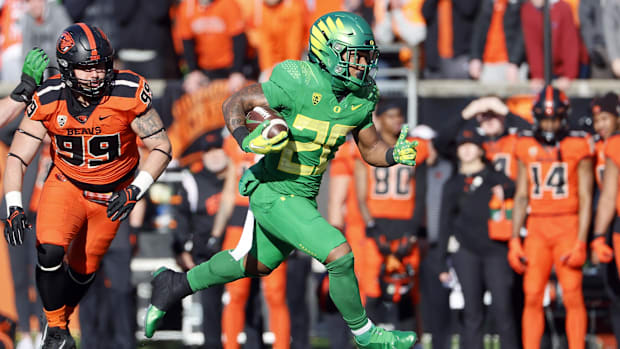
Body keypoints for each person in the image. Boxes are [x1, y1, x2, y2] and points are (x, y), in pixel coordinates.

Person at [145, 11, 418, 349]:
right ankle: (365, 333)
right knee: (339, 254)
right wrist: (247, 139)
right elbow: (237, 101)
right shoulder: (297, 79)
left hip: (303, 195)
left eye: (365, 58)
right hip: (273, 191)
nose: (362, 66)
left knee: (252, 263)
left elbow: (371, 148)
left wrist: (393, 155)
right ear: (327, 53)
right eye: (354, 57)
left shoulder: (361, 99)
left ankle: (174, 285)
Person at [2, 23, 172, 348]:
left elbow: (162, 147)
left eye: (99, 66)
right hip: (65, 185)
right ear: (67, 68)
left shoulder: (127, 92)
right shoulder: (49, 97)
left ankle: (60, 323)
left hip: (112, 195)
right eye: (86, 67)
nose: (95, 75)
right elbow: (18, 157)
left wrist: (136, 189)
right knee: (49, 251)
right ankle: (54, 329)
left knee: (83, 271)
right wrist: (13, 203)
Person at [508, 85, 593, 349]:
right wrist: (514, 238)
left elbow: (587, 197)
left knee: (572, 294)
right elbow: (521, 195)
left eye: (554, 117)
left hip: (567, 223)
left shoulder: (578, 144)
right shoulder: (524, 144)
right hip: (537, 227)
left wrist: (581, 241)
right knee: (532, 295)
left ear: (564, 116)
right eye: (544, 118)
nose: (549, 124)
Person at [354, 99, 432, 334]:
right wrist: (371, 226)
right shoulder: (367, 148)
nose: (397, 120)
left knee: (406, 288)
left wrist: (413, 229)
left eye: (400, 116)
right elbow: (361, 196)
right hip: (377, 225)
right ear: (379, 119)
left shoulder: (414, 147)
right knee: (373, 290)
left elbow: (422, 193)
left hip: (405, 223)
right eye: (391, 116)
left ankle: (411, 341)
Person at [437, 127, 519, 349]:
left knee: (503, 311)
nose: (465, 150)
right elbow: (444, 224)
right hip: (466, 252)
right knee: (472, 314)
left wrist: (507, 191)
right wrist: (441, 260)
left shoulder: (495, 176)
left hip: (496, 251)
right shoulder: (452, 184)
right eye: (461, 146)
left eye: (470, 144)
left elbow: (516, 187)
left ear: (481, 149)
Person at [216, 134, 290, 349]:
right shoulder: (236, 140)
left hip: (272, 221)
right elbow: (230, 190)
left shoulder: (286, 137)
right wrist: (216, 232)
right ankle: (230, 345)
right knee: (235, 293)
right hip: (240, 221)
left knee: (275, 294)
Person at [588, 93, 620, 343]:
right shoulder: (604, 146)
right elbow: (607, 196)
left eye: (605, 118)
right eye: (596, 119)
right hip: (612, 223)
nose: (600, 125)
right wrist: (598, 236)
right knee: (614, 292)